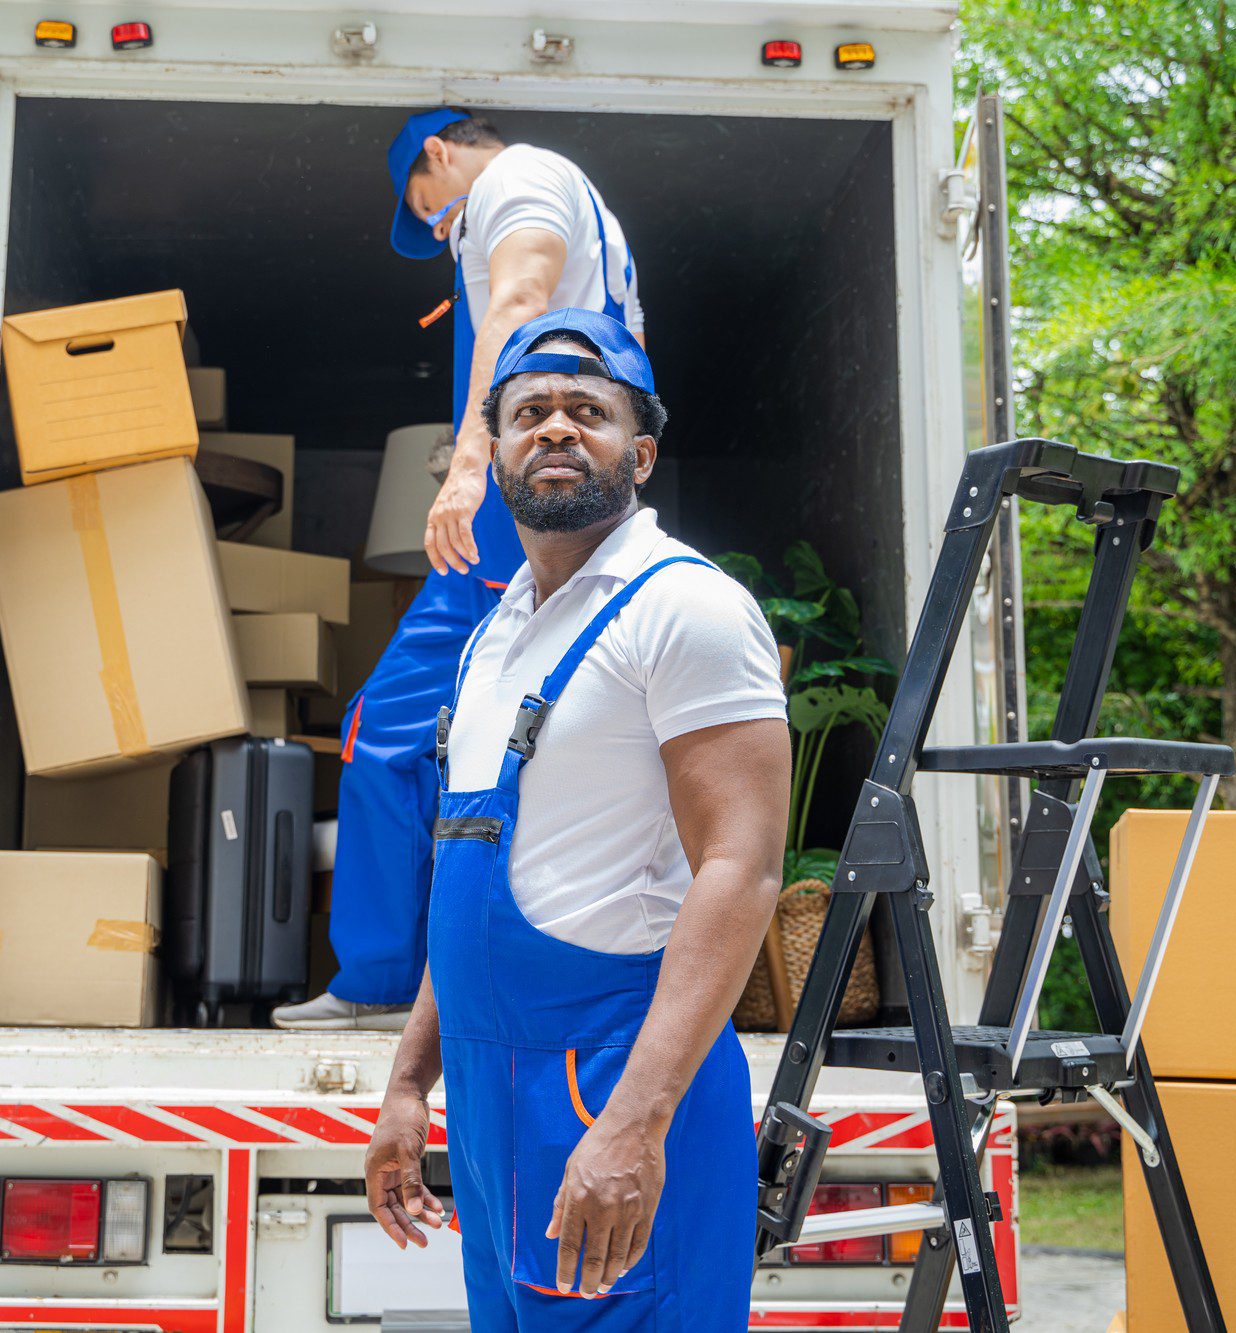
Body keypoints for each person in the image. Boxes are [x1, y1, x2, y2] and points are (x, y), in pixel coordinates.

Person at [360, 309, 791, 1329]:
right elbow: (467, 880)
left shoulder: (683, 607)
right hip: (483, 1090)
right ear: (494, 453)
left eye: (586, 411)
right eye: (528, 412)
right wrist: (406, 1082)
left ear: (638, 452)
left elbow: (742, 865)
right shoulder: (491, 639)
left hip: (611, 1079)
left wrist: (633, 1124)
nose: (555, 428)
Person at [275, 110, 647, 1030]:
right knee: (488, 748)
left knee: (385, 731)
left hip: (517, 496)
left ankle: (378, 978)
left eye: (425, 204)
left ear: (440, 153)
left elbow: (519, 301)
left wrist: (472, 463)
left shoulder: (514, 181)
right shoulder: (566, 194)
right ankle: (467, 983)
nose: (437, 225)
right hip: (566, 489)